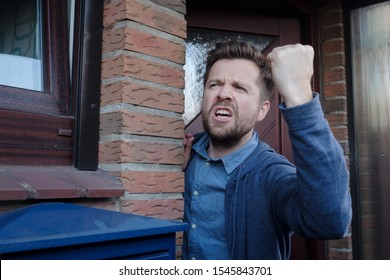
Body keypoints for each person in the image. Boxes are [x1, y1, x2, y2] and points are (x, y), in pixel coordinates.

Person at [181, 41, 352, 260]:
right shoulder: (185, 153)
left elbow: (330, 222)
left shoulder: (272, 174)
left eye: (240, 87)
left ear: (262, 110)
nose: (223, 93)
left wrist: (300, 96)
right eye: (214, 84)